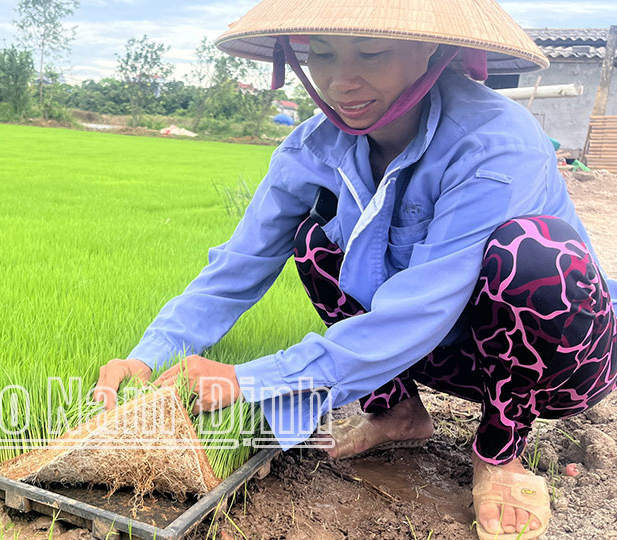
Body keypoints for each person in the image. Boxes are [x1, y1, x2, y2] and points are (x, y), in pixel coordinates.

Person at [94, 0, 617, 538]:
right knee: (315, 240)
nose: (342, 80)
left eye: (371, 52)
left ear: (430, 51)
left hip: (553, 361)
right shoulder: (313, 147)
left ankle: (501, 454)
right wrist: (147, 358)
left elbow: (425, 305)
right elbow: (239, 265)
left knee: (530, 254)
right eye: (321, 53)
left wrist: (249, 380)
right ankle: (397, 413)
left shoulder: (495, 141)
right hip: (438, 353)